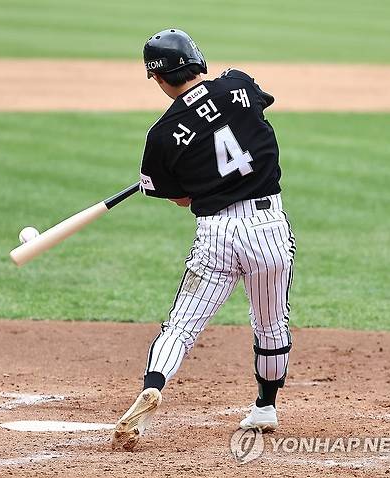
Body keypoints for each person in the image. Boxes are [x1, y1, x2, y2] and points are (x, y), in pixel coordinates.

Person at [112, 29, 296, 451]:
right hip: (268, 230)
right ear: (197, 60)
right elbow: (251, 112)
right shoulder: (239, 84)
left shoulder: (159, 137)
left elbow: (180, 197)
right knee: (270, 323)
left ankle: (154, 384)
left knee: (181, 325)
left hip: (215, 234)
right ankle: (265, 406)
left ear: (158, 79)